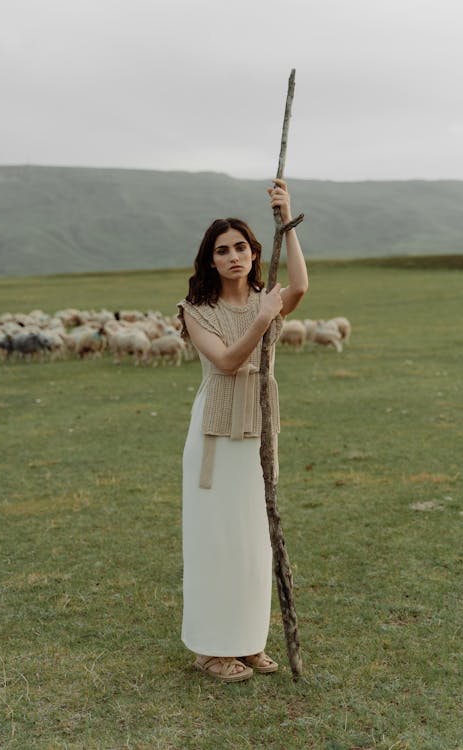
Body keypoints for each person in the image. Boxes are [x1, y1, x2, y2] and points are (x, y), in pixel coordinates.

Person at [177, 179, 308, 682]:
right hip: (215, 438)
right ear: (210, 261)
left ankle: (248, 642)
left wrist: (286, 221)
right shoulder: (195, 312)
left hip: (258, 433)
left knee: (255, 541)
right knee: (217, 539)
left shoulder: (267, 296)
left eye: (241, 248)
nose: (233, 256)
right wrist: (261, 318)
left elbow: (298, 287)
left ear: (255, 254)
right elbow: (229, 362)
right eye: (222, 250)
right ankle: (211, 649)